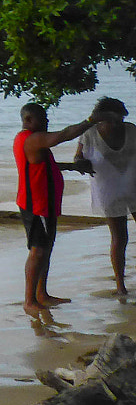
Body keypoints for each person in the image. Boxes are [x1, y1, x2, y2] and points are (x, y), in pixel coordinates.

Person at [16, 102, 111, 313]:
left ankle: (42, 294)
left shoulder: (34, 142)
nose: (47, 122)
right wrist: (91, 120)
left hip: (46, 204)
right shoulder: (32, 139)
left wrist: (73, 167)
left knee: (46, 249)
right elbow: (64, 135)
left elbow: (45, 166)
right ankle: (29, 301)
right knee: (38, 251)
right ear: (29, 120)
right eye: (43, 118)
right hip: (37, 205)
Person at [73, 97, 136, 297]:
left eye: (120, 119)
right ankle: (120, 286)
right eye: (112, 120)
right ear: (100, 119)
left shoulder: (132, 130)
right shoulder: (89, 134)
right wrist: (80, 163)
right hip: (108, 189)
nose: (118, 124)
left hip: (134, 185)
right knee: (119, 237)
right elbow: (78, 157)